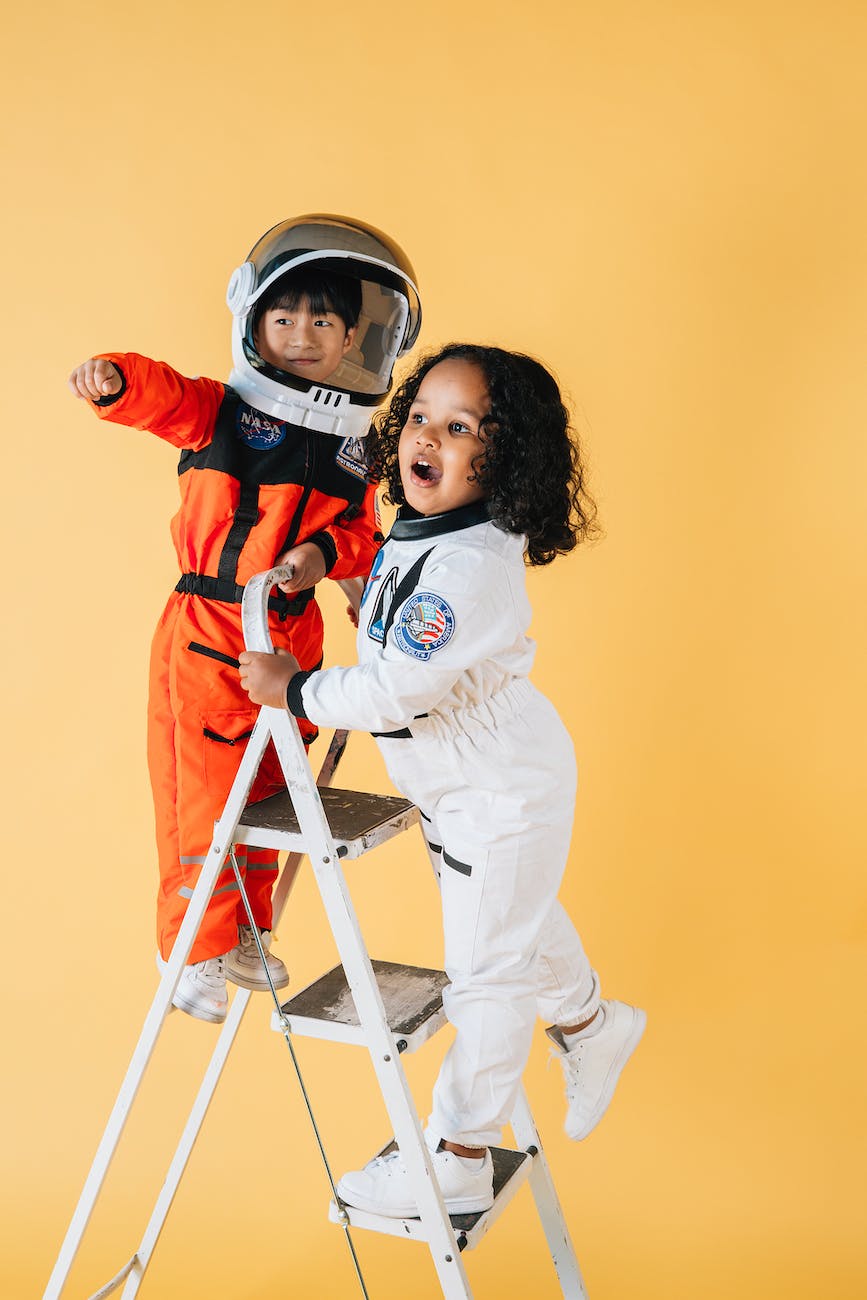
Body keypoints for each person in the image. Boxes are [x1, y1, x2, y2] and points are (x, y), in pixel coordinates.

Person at [239, 342, 646, 1216]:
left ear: (503, 459)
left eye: (460, 429)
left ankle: (460, 1149)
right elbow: (390, 601)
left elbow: (395, 686)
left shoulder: (470, 568)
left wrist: (295, 687)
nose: (429, 438)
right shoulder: (432, 527)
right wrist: (333, 566)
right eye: (420, 417)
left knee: (485, 973)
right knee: (513, 915)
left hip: (500, 786)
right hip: (459, 782)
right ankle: (587, 1023)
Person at [68, 215, 422, 1026]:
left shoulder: (353, 449)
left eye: (323, 322)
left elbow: (361, 535)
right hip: (213, 626)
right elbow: (161, 395)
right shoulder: (221, 413)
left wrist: (325, 563)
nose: (302, 335)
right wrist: (113, 379)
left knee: (273, 793)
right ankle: (190, 943)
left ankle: (246, 932)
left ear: (354, 340)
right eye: (285, 316)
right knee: (206, 791)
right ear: (254, 319)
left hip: (293, 636)